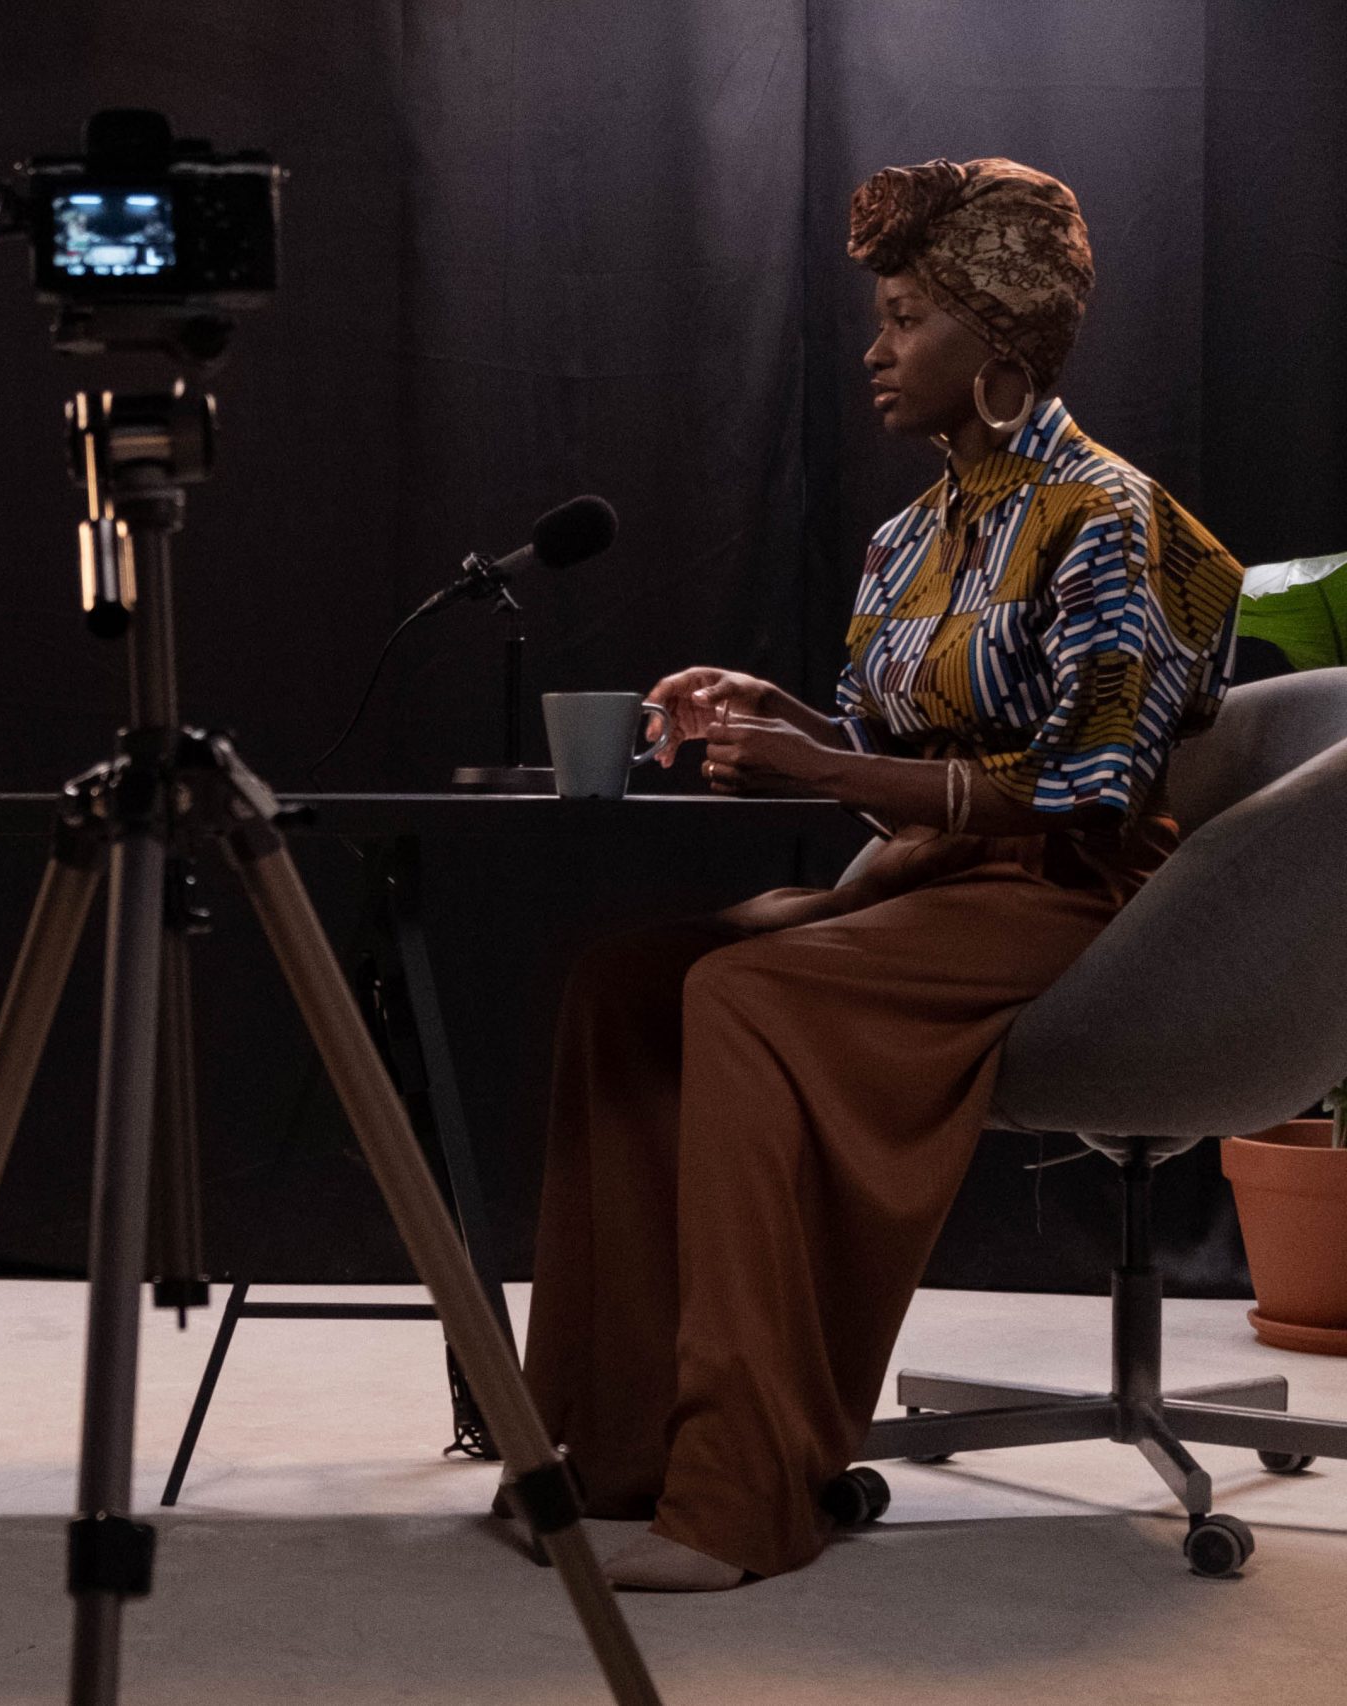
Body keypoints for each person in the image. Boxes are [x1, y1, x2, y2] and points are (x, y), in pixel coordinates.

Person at [520, 158, 1244, 1591]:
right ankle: (609, 1451)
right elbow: (889, 733)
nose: (875, 344)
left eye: (907, 314)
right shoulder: (907, 535)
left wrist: (833, 777)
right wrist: (777, 715)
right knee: (626, 984)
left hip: (1077, 900)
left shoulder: (1113, 521)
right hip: (925, 880)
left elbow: (1088, 784)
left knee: (742, 993)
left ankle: (738, 1501)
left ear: (1002, 342)